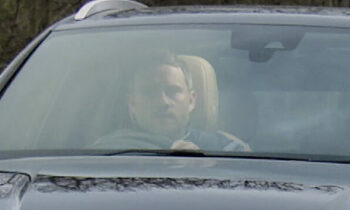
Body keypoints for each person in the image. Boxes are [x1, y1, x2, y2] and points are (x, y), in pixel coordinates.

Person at [95, 53, 248, 152]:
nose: (162, 102)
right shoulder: (106, 153)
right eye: (150, 92)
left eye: (173, 91)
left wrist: (205, 169)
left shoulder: (227, 151)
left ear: (191, 100)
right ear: (132, 104)